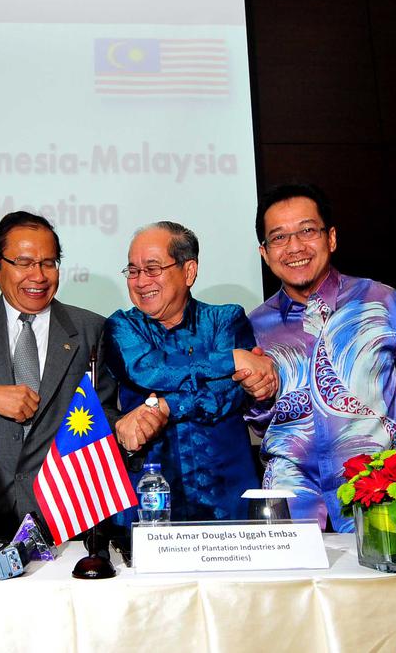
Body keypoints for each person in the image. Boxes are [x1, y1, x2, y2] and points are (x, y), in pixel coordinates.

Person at [0, 212, 165, 540]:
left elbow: (98, 414)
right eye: (24, 262)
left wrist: (123, 427)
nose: (39, 275)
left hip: (63, 518)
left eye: (49, 263)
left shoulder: (91, 329)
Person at [246, 184, 396, 531]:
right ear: (264, 252)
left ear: (330, 238)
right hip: (294, 507)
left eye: (307, 231)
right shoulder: (255, 326)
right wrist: (259, 399)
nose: (294, 247)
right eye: (279, 237)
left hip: (388, 499)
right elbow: (265, 423)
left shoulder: (383, 302)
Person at [104, 221, 273, 521]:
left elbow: (229, 393)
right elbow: (148, 370)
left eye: (152, 268)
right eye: (133, 270)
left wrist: (167, 406)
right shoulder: (122, 326)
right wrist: (230, 359)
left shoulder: (226, 319)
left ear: (189, 271)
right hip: (151, 501)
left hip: (228, 502)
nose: (140, 281)